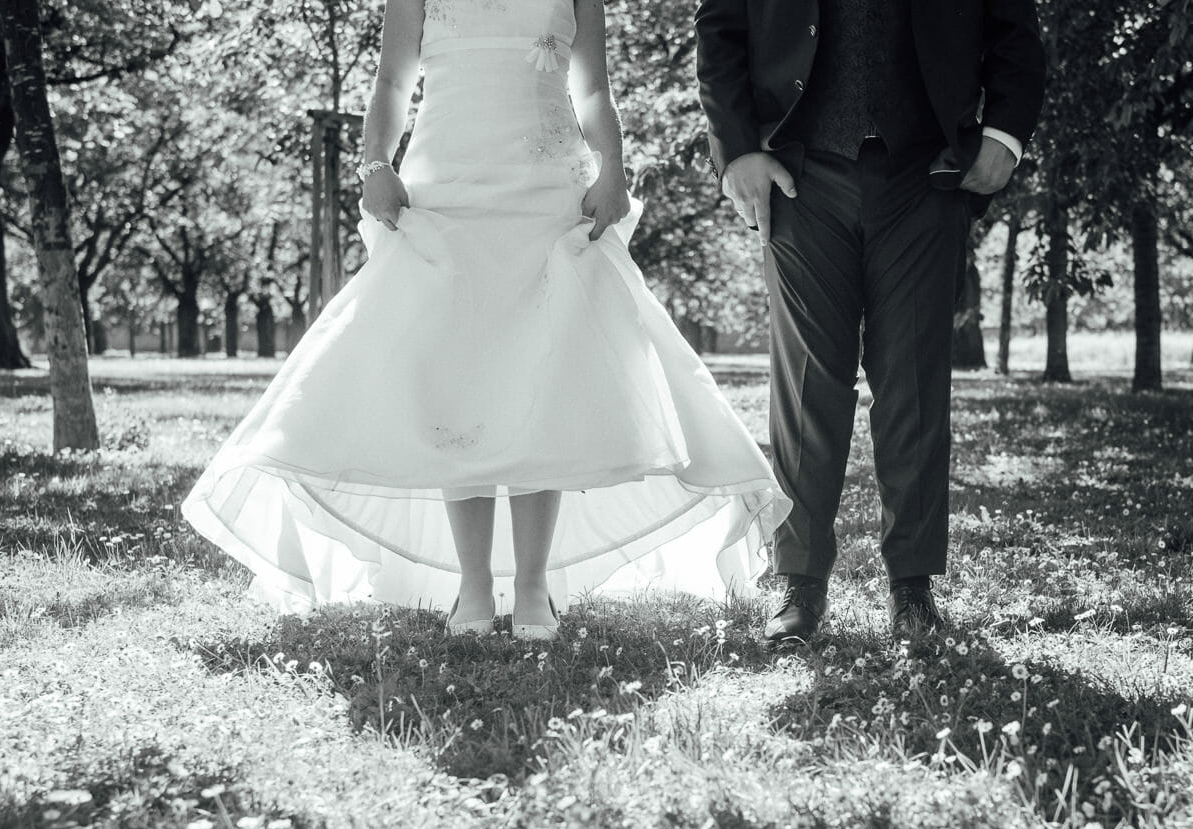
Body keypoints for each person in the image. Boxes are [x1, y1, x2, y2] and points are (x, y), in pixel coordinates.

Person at [183, 0, 790, 640]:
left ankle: (532, 587)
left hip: (548, 192)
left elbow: (593, 88)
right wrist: (375, 166)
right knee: (458, 379)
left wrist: (612, 169)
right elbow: (392, 81)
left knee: (543, 376)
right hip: (447, 191)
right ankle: (472, 586)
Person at [694, 0, 1047, 647]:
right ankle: (799, 583)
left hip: (927, 173)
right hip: (799, 172)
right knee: (806, 387)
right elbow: (721, 29)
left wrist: (1005, 134)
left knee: (913, 384)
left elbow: (1015, 30)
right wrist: (737, 150)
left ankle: (912, 589)